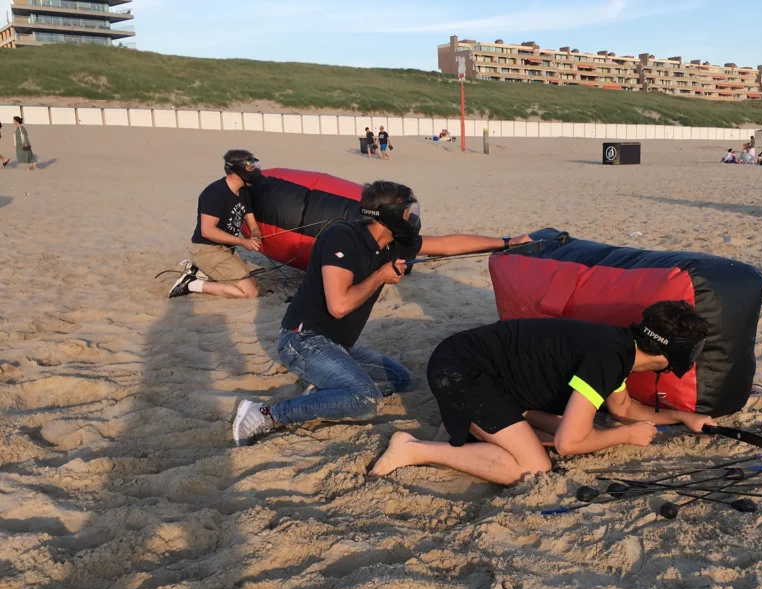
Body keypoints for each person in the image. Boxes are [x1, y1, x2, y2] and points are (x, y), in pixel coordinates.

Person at [231, 180, 533, 446]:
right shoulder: (342, 238)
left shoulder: (394, 243)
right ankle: (267, 413)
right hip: (303, 341)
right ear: (387, 215)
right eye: (406, 211)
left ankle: (325, 391)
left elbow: (446, 244)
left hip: (339, 345)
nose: (411, 216)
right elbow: (339, 306)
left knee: (402, 381)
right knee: (365, 398)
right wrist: (380, 276)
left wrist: (508, 243)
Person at [370, 301, 717, 485]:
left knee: (551, 430)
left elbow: (624, 407)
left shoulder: (619, 347)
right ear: (668, 359)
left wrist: (684, 417)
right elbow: (571, 443)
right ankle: (413, 450)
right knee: (533, 468)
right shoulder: (610, 358)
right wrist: (624, 436)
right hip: (462, 373)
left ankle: (474, 430)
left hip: (471, 366)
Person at [168, 150, 263, 299]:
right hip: (207, 250)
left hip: (225, 250)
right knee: (251, 293)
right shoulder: (215, 193)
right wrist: (243, 242)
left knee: (254, 283)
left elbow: (253, 226)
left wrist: (256, 236)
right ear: (237, 169)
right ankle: (191, 283)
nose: (254, 169)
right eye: (250, 166)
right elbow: (207, 231)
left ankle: (200, 272)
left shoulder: (244, 192)